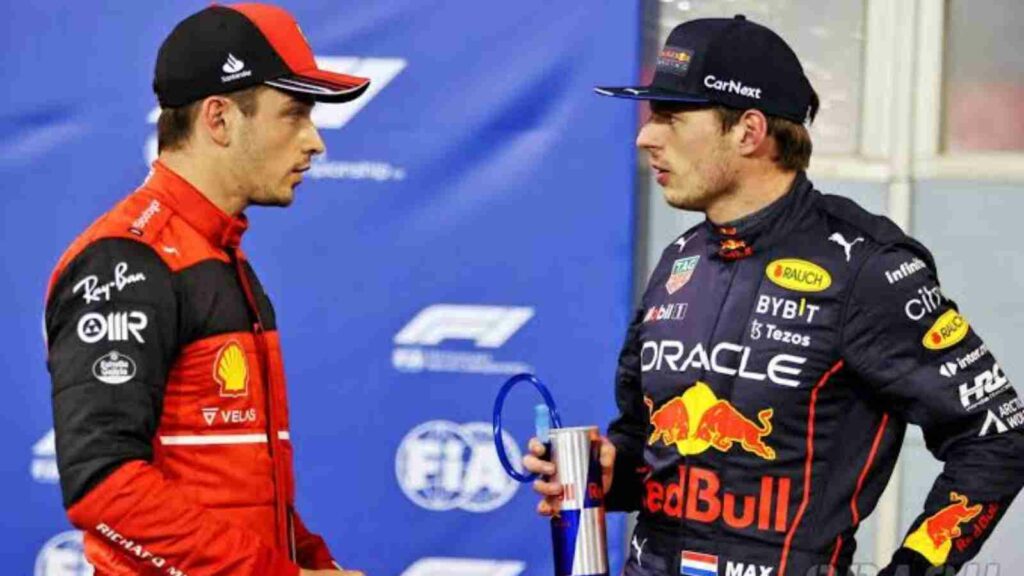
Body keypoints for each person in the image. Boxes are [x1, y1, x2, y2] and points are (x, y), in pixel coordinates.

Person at [524, 14, 1024, 576]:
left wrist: (916, 568)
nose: (646, 135)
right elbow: (646, 439)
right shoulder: (679, 261)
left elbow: (998, 435)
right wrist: (612, 471)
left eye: (670, 116)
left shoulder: (866, 267)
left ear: (749, 131)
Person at [44, 4, 371, 575]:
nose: (315, 141)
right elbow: (103, 482)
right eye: (294, 114)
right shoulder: (126, 259)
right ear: (218, 119)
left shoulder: (219, 256)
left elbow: (236, 488)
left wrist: (316, 562)